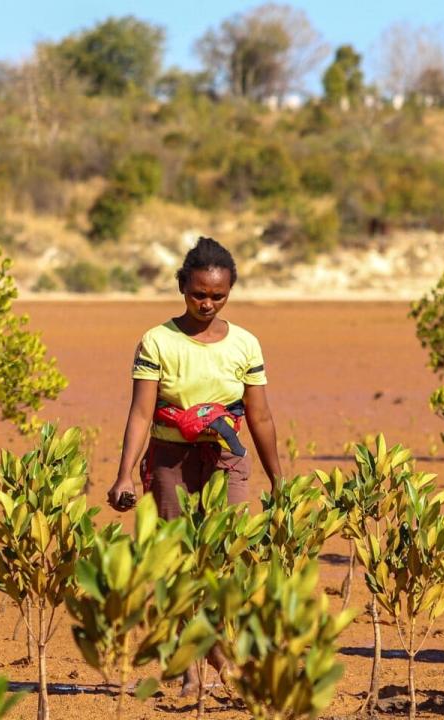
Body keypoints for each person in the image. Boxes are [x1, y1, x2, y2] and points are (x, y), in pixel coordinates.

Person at [105, 237, 284, 692]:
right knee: (179, 561)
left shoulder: (245, 344)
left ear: (231, 292)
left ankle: (219, 657)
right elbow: (142, 413)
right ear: (182, 286)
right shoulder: (158, 341)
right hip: (170, 460)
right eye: (198, 294)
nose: (207, 303)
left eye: (218, 296)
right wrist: (125, 473)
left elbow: (259, 416)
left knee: (225, 559)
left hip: (227, 460)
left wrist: (281, 481)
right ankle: (198, 667)